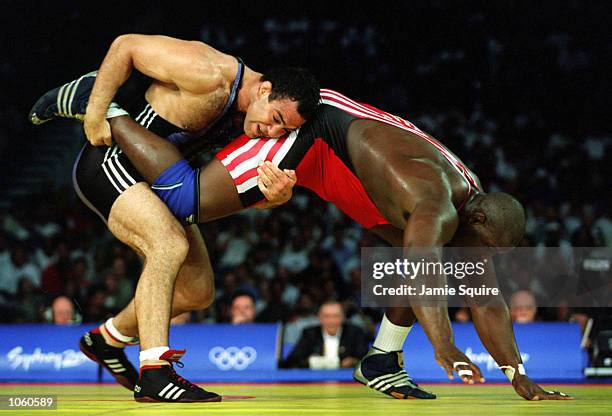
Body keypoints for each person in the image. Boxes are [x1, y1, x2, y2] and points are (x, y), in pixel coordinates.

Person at [99, 87, 571, 401]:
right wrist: (444, 346)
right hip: (316, 136)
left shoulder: (471, 209)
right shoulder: (434, 202)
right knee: (187, 197)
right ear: (479, 216)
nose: (481, 261)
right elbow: (425, 268)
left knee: (441, 263)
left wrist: (517, 374)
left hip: (352, 174)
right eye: (485, 249)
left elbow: (483, 294)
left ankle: (382, 358)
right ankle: (109, 109)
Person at [30, 34, 319, 403]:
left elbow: (230, 193)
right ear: (263, 89)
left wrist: (272, 199)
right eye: (276, 118)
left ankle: (106, 339)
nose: (273, 132)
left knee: (197, 291)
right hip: (111, 163)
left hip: (164, 183)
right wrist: (96, 110)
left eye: (285, 130)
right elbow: (125, 46)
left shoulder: (252, 123)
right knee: (167, 245)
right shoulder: (207, 71)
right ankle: (155, 373)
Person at [282, 300, 368, 369]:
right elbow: (292, 360)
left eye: (335, 316)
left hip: (347, 379)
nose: (331, 321)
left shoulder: (355, 332)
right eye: (326, 316)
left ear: (343, 318)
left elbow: (366, 360)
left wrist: (353, 362)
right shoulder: (310, 333)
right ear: (319, 318)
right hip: (315, 380)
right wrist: (308, 361)